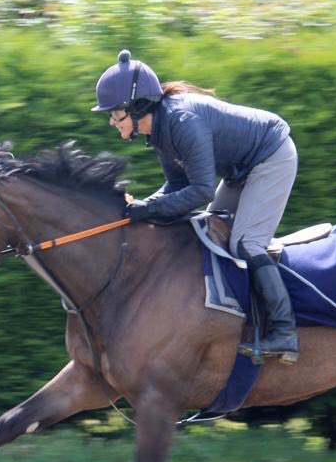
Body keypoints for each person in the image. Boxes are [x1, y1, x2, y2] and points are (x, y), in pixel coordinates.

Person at [93, 49, 300, 362]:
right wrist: (143, 205)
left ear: (137, 107)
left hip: (271, 155)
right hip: (240, 170)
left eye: (115, 113)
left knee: (246, 242)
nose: (111, 121)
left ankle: (285, 333)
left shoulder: (181, 121)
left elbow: (201, 190)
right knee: (214, 230)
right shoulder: (160, 130)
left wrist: (147, 210)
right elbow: (176, 185)